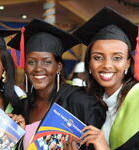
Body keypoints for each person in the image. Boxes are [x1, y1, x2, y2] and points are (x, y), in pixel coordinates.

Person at [8, 19, 106, 150]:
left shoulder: (81, 102)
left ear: (58, 67)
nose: (38, 68)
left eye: (47, 62)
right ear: (25, 66)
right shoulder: (23, 107)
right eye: (31, 62)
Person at [73, 7, 139, 150]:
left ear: (128, 63)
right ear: (89, 63)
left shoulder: (137, 100)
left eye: (117, 58)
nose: (107, 65)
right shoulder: (89, 101)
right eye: (98, 57)